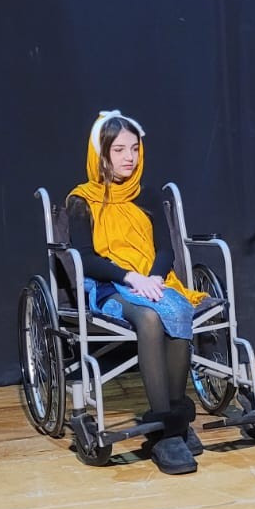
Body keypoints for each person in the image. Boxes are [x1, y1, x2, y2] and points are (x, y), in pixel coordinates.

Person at [66, 111, 207, 475]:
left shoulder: (147, 195)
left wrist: (155, 278)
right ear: (101, 154)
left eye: (134, 149)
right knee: (149, 318)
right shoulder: (81, 201)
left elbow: (165, 249)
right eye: (119, 150)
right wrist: (130, 277)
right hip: (109, 286)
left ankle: (171, 421)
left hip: (152, 280)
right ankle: (168, 431)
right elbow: (86, 258)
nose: (129, 157)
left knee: (177, 310)